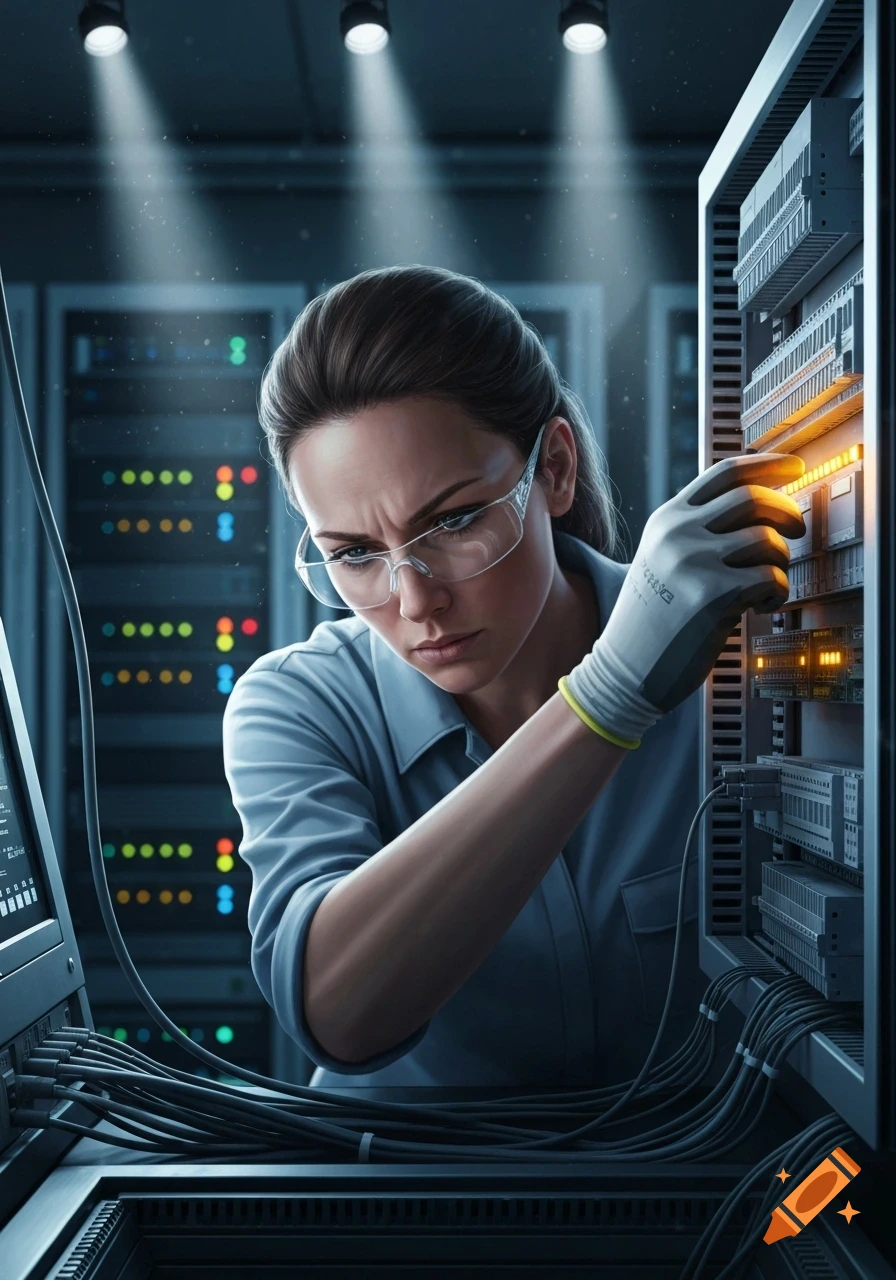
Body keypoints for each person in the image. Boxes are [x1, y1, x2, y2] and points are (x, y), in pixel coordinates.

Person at [222, 264, 804, 1089]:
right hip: (401, 1205)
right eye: (354, 554)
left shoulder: (742, 671)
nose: (414, 599)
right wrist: (611, 696)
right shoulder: (298, 704)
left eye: (454, 521)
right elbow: (338, 1014)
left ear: (555, 470)